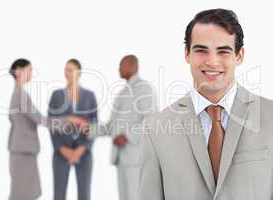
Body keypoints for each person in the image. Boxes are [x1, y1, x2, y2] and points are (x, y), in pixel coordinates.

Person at [139, 8, 273, 200]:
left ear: (239, 56)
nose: (212, 61)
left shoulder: (270, 116)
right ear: (187, 54)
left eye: (223, 51)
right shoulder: (154, 128)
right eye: (201, 50)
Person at [8, 58, 89, 200]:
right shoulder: (20, 95)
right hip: (23, 151)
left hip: (24, 150)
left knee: (28, 193)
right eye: (29, 70)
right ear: (18, 72)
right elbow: (41, 120)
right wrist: (70, 120)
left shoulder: (19, 93)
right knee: (23, 194)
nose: (32, 73)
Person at [95, 55, 157, 200]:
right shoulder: (122, 92)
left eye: (121, 65)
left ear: (132, 66)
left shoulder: (144, 88)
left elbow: (150, 119)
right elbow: (111, 126)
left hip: (136, 158)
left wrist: (127, 136)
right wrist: (88, 130)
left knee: (135, 196)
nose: (119, 68)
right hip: (121, 158)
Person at [49, 59, 98, 200]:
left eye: (70, 70)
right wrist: (63, 149)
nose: (67, 73)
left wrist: (81, 150)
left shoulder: (90, 95)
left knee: (84, 194)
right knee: (59, 195)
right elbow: (51, 124)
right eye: (65, 70)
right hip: (61, 152)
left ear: (79, 73)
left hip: (84, 152)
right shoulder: (56, 95)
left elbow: (94, 125)